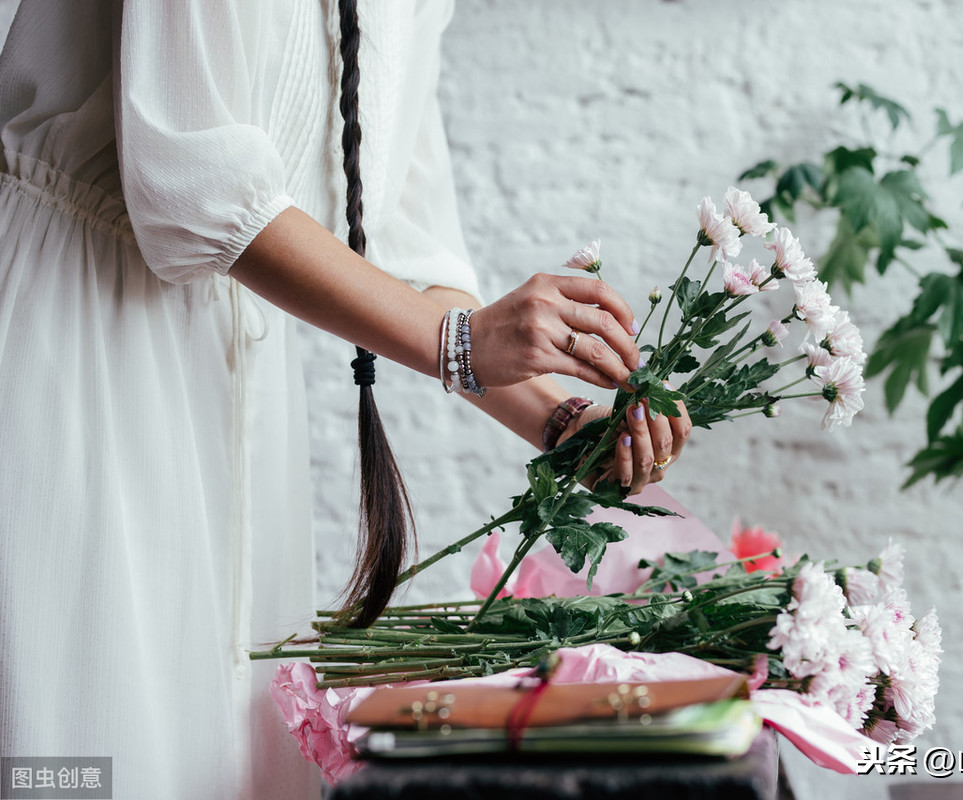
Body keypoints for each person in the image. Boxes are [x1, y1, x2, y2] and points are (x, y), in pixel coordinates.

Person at [0, 2, 690, 798]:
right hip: (74, 329)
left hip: (236, 382)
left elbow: (404, 254)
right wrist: (462, 336)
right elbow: (189, 186)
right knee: (89, 740)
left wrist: (561, 421)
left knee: (218, 755)